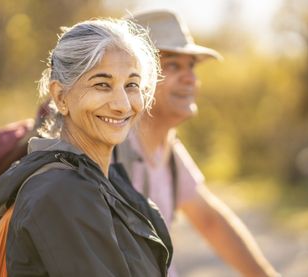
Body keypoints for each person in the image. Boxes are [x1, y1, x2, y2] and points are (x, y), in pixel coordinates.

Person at [0, 18, 172, 276]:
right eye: (102, 84)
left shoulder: (108, 182)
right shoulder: (60, 193)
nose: (122, 104)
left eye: (131, 85)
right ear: (61, 97)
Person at [115, 10, 280, 277]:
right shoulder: (108, 152)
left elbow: (210, 221)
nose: (191, 78)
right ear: (132, 77)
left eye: (191, 66)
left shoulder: (166, 149)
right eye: (172, 65)